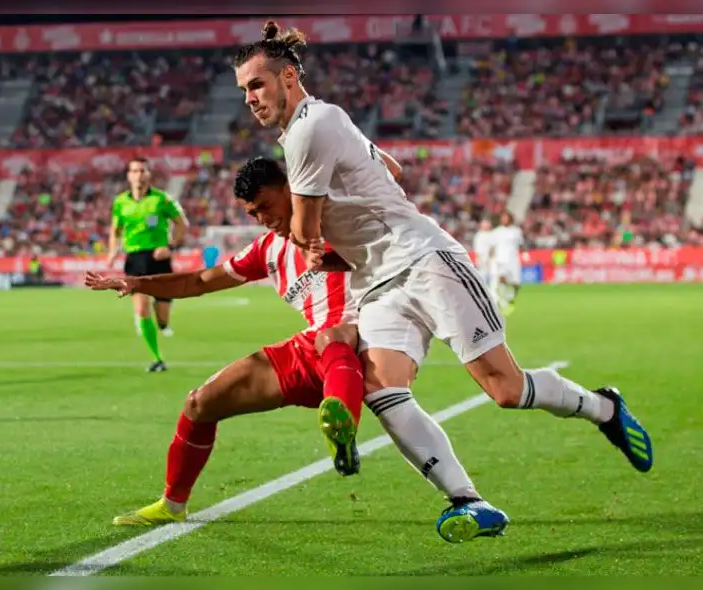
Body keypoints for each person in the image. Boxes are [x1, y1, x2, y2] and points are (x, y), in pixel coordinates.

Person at [232, 20, 654, 543]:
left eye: (257, 84)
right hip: (378, 283)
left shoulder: (308, 129)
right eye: (244, 90)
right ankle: (470, 502)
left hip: (425, 260)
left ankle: (604, 407)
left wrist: (314, 235)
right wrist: (352, 233)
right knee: (382, 387)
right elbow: (393, 167)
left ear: (289, 76)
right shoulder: (320, 123)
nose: (250, 98)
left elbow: (303, 230)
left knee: (504, 388)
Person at [84, 158, 481, 534]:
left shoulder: (340, 219)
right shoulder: (267, 250)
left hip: (366, 342)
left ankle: (345, 429)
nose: (262, 219)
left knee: (333, 334)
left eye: (267, 206)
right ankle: (172, 504)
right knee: (199, 404)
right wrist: (137, 282)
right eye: (253, 213)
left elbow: (386, 177)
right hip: (313, 350)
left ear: (292, 190)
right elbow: (200, 282)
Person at [108, 157, 190, 373]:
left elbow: (182, 224)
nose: (138, 174)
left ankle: (162, 324)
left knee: (162, 315)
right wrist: (112, 251)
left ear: (148, 174)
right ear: (128, 175)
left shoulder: (162, 199)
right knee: (141, 308)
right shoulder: (120, 202)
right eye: (134, 170)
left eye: (142, 170)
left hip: (159, 259)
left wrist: (170, 247)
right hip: (134, 259)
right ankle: (157, 358)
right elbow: (115, 231)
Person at [489, 212, 525, 316]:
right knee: (502, 279)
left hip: (513, 259)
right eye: (502, 218)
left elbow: (521, 244)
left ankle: (509, 299)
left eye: (505, 217)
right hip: (501, 259)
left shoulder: (516, 231)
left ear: (510, 219)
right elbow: (492, 246)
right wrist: (490, 258)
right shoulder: (496, 231)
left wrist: (524, 254)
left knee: (516, 283)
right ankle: (502, 301)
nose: (503, 219)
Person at [471, 218, 495, 290]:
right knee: (483, 274)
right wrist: (479, 258)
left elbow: (493, 246)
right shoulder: (479, 235)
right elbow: (477, 249)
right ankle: (483, 290)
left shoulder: (492, 234)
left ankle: (492, 290)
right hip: (482, 257)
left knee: (492, 275)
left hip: (491, 258)